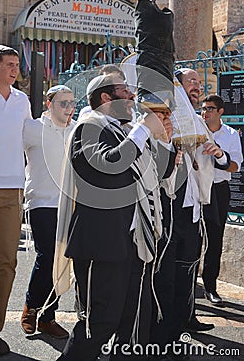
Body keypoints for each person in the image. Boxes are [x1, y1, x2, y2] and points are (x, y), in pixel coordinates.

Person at [54, 73, 170, 361]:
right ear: (106, 98)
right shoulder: (87, 128)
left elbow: (160, 175)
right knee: (99, 323)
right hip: (102, 243)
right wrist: (143, 131)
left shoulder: (125, 131)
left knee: (131, 322)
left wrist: (163, 139)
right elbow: (108, 167)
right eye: (124, 91)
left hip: (132, 241)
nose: (132, 97)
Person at [150, 69, 230, 361]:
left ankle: (185, 321)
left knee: (187, 270)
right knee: (168, 274)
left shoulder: (197, 120)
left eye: (199, 82)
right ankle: (164, 335)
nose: (198, 86)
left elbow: (224, 160)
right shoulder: (164, 118)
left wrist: (215, 151)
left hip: (195, 205)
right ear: (178, 89)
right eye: (191, 82)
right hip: (172, 207)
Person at [20, 85, 77, 339]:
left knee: (62, 260)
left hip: (69, 204)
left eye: (71, 103)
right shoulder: (32, 128)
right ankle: (31, 308)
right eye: (62, 103)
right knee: (48, 255)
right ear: (49, 103)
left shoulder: (77, 130)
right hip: (41, 201)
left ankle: (47, 316)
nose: (68, 108)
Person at [0, 45, 32, 356]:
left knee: (6, 263)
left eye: (17, 64)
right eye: (9, 64)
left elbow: (31, 140)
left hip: (11, 190)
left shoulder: (22, 102)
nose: (15, 69)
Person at [200, 94, 243, 305]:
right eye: (203, 108)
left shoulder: (231, 134)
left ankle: (210, 287)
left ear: (220, 112)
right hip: (196, 188)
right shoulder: (196, 129)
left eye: (209, 108)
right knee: (190, 239)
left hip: (218, 189)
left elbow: (236, 166)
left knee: (214, 240)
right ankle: (189, 287)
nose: (205, 112)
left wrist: (220, 155)